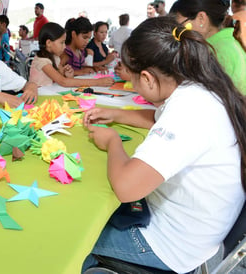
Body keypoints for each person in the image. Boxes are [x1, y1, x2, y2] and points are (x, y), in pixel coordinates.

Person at [82, 16, 246, 273]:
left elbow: (127, 188)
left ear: (147, 78)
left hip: (169, 244)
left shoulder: (188, 111)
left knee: (79, 238)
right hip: (200, 232)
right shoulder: (200, 90)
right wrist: (116, 114)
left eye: (133, 79)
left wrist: (113, 141)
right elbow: (158, 118)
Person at [170, 0, 246, 94]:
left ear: (201, 18)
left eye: (179, 27)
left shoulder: (211, 52)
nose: (176, 34)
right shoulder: (230, 41)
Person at [29, 22, 114, 87]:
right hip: (39, 96)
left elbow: (62, 77)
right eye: (62, 43)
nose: (64, 46)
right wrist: (97, 82)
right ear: (49, 43)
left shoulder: (55, 58)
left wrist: (68, 74)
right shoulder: (42, 61)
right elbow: (63, 82)